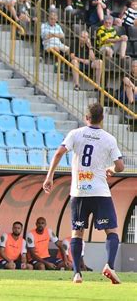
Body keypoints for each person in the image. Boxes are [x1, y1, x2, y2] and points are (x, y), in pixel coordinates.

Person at [43, 102, 124, 284]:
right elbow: (120, 166)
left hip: (79, 191)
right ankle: (109, 266)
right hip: (100, 192)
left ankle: (77, 273)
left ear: (86, 117)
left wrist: (50, 177)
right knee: (111, 231)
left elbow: (58, 153)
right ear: (102, 119)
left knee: (77, 233)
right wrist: (110, 168)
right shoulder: (109, 138)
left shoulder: (75, 134)